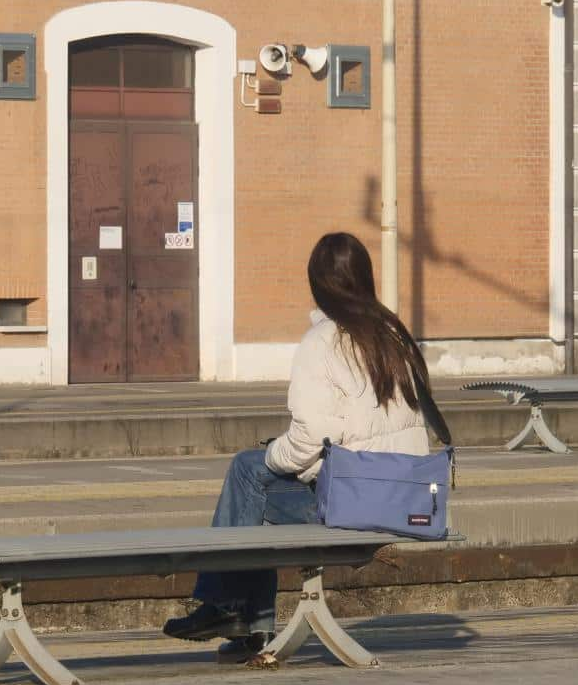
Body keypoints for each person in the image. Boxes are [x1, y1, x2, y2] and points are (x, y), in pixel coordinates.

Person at [162, 231, 442, 662]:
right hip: (406, 498)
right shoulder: (394, 335)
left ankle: (228, 608)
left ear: (319, 287)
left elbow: (309, 441)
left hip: (358, 502)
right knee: (254, 483)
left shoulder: (323, 341)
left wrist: (274, 452)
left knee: (248, 471)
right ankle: (244, 625)